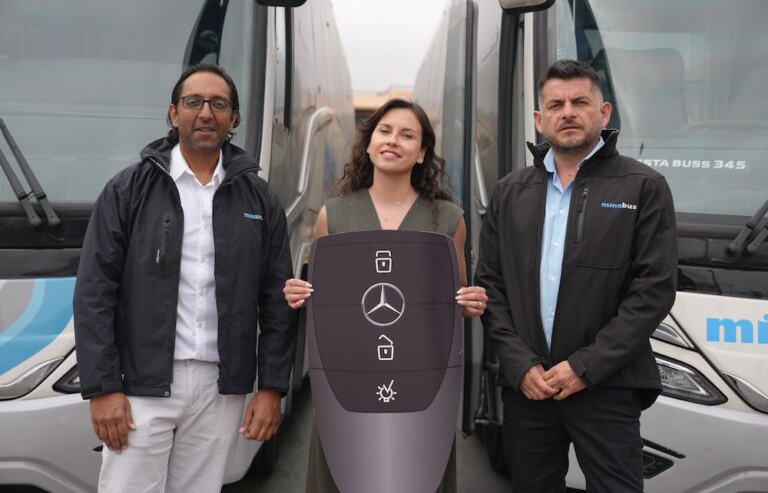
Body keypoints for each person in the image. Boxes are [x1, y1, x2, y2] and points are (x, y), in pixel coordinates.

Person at [73, 64, 297, 492]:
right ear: (173, 113)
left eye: (219, 104)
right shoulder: (128, 190)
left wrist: (271, 387)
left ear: (234, 118)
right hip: (141, 383)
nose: (206, 113)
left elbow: (277, 299)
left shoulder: (260, 199)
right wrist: (102, 388)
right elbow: (94, 293)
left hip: (221, 387)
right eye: (194, 102)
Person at [475, 59, 677, 492]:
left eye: (580, 102)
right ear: (539, 119)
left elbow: (654, 292)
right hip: (528, 389)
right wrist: (519, 364)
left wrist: (584, 367)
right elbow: (490, 286)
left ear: (603, 113)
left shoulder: (643, 186)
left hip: (607, 385)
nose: (567, 112)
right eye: (556, 104)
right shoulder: (510, 192)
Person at [283, 98, 488, 493]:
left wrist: (472, 302)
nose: (393, 140)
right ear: (369, 142)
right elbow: (329, 301)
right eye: (385, 131)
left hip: (420, 379)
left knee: (417, 474)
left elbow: (455, 302)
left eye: (407, 135)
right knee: (345, 471)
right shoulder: (333, 214)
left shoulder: (449, 219)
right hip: (349, 376)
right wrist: (300, 292)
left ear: (422, 153)